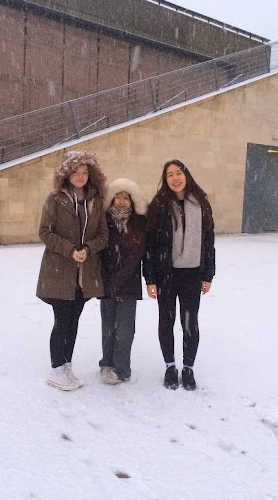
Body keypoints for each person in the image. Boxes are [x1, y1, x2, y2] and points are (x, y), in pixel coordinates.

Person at [36, 151, 108, 391]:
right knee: (62, 321)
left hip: (84, 275)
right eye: (75, 172)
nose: (80, 176)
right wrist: (70, 250)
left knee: (73, 321)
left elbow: (103, 235)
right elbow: (45, 232)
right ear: (66, 174)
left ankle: (66, 365)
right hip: (59, 272)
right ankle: (56, 369)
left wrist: (87, 249)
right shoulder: (55, 199)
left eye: (85, 172)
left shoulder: (96, 201)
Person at [143, 159, 215, 391]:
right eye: (169, 175)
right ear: (165, 179)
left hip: (193, 273)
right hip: (166, 273)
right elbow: (149, 245)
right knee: (167, 321)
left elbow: (208, 241)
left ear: (186, 174)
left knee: (190, 322)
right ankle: (170, 366)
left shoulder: (200, 203)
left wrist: (208, 275)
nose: (175, 178)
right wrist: (150, 278)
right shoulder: (158, 205)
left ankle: (188, 368)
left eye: (178, 173)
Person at [98, 178, 148, 385]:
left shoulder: (139, 223)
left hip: (129, 284)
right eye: (117, 197)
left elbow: (137, 255)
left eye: (126, 198)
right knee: (108, 326)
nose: (121, 201)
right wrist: (107, 279)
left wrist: (119, 279)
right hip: (106, 283)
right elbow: (100, 252)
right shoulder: (104, 222)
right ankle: (107, 363)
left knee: (125, 329)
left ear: (132, 201)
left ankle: (122, 368)